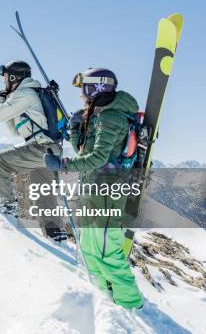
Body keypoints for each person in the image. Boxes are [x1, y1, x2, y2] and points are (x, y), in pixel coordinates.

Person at [44, 67, 144, 310]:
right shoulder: (99, 115)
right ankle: (105, 300)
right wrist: (77, 130)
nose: (81, 95)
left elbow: (98, 157)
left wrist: (63, 164)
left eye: (83, 89)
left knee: (106, 252)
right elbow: (85, 152)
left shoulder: (112, 117)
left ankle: (130, 305)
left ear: (96, 88)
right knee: (89, 248)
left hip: (107, 192)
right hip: (92, 188)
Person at [0, 60, 63, 236]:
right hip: (49, 151)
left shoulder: (25, 94)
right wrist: (9, 106)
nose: (4, 82)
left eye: (6, 77)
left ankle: (6, 208)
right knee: (43, 193)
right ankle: (54, 233)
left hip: (40, 148)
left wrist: (1, 98)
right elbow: (15, 131)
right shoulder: (31, 93)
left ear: (14, 77)